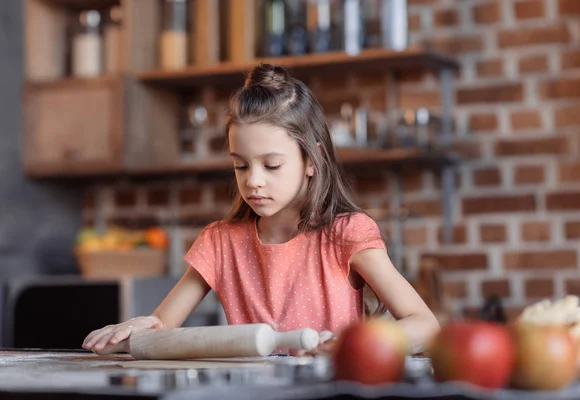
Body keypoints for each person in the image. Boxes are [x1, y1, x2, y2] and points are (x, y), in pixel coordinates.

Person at [82, 63, 440, 355]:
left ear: (313, 159)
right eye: (241, 165)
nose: (253, 180)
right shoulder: (221, 243)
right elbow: (163, 324)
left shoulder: (345, 234)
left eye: (271, 166)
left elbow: (423, 324)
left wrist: (358, 345)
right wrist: (140, 328)